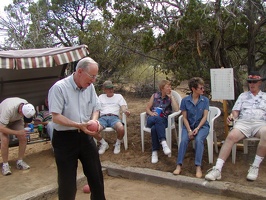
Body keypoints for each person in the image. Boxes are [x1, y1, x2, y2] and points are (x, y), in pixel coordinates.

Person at [48, 57, 106, 200]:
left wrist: (93, 120)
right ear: (80, 71)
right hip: (65, 139)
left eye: (95, 76)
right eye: (91, 76)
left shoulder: (90, 87)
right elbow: (56, 117)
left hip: (85, 137)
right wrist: (77, 125)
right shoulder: (59, 88)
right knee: (67, 183)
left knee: (96, 177)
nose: (93, 80)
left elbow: (96, 107)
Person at [205, 71, 266, 182]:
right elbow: (235, 112)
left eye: (254, 82)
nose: (252, 84)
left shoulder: (265, 97)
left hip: (260, 124)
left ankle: (255, 166)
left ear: (260, 83)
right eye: (250, 82)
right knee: (231, 136)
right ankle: (217, 169)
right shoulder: (243, 96)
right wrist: (232, 116)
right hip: (244, 122)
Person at [173, 77, 209, 178]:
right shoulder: (185, 101)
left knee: (198, 140)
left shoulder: (205, 100)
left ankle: (198, 166)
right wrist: (189, 130)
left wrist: (197, 128)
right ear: (193, 89)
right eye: (200, 88)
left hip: (202, 126)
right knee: (183, 140)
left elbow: (205, 117)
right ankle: (179, 165)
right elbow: (184, 117)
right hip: (189, 126)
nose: (203, 90)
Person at [145, 80, 180, 163]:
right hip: (151, 119)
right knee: (157, 118)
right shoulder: (155, 96)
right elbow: (147, 108)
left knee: (154, 128)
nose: (170, 88)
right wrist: (151, 113)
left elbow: (177, 109)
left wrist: (171, 97)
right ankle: (163, 143)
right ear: (162, 88)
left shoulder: (170, 97)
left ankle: (154, 152)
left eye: (170, 86)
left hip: (164, 120)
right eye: (167, 87)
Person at [0, 97, 36, 176]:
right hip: (2, 122)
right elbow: (1, 128)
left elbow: (26, 121)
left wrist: (25, 130)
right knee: (5, 139)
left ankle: (20, 161)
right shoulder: (9, 109)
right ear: (20, 111)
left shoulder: (26, 105)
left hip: (16, 120)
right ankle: (5, 164)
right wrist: (18, 132)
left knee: (23, 137)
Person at [94, 80, 130, 155]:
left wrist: (126, 111)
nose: (110, 90)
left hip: (114, 117)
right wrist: (94, 120)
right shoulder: (101, 97)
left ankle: (118, 143)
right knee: (93, 129)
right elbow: (97, 109)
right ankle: (103, 143)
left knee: (121, 128)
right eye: (108, 88)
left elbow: (123, 107)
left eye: (111, 88)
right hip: (103, 118)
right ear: (104, 89)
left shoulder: (118, 96)